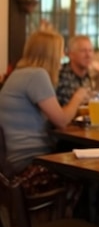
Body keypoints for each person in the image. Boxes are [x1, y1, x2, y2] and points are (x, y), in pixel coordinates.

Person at [0, 30, 89, 181]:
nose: (63, 56)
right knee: (89, 168)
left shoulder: (18, 73)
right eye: (60, 52)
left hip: (11, 162)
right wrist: (78, 96)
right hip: (31, 162)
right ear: (51, 55)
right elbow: (61, 121)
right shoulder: (37, 75)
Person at [56, 35, 94, 106]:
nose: (88, 55)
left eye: (90, 50)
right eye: (83, 51)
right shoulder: (59, 76)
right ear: (71, 54)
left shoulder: (92, 76)